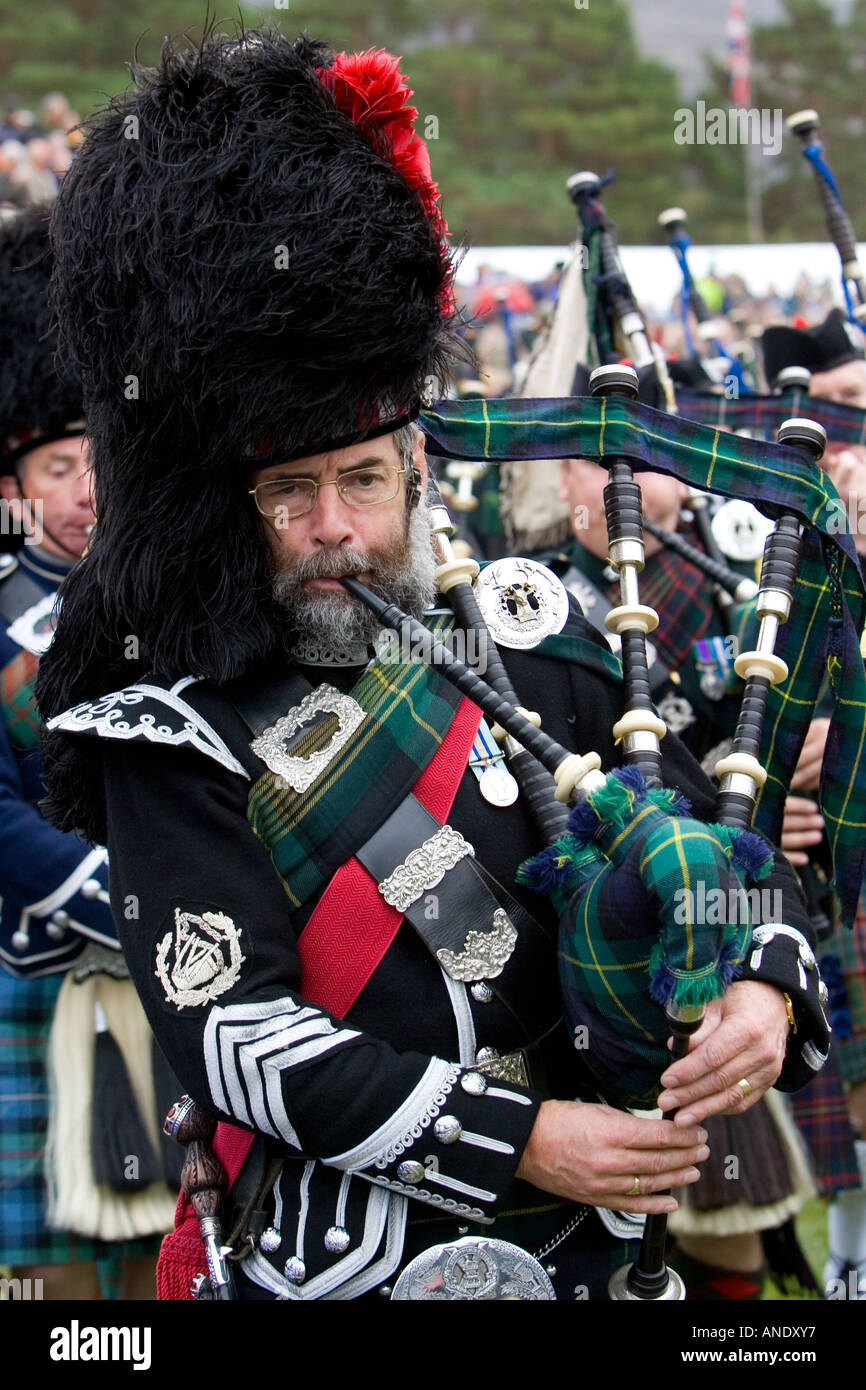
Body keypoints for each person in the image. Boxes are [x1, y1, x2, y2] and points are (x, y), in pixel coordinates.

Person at [36, 28, 831, 1302]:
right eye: (286, 492)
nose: (333, 526)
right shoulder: (170, 729)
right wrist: (527, 1141)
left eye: (360, 479)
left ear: (416, 473)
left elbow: (724, 857)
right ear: (216, 506)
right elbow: (235, 1039)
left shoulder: (533, 637)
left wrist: (758, 992)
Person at [0, 205, 173, 1300]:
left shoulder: (177, 609)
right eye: (60, 465)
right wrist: (95, 885)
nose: (86, 491)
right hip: (34, 967)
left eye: (101, 459)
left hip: (174, 969)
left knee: (177, 1247)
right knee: (54, 1276)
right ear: (13, 487)